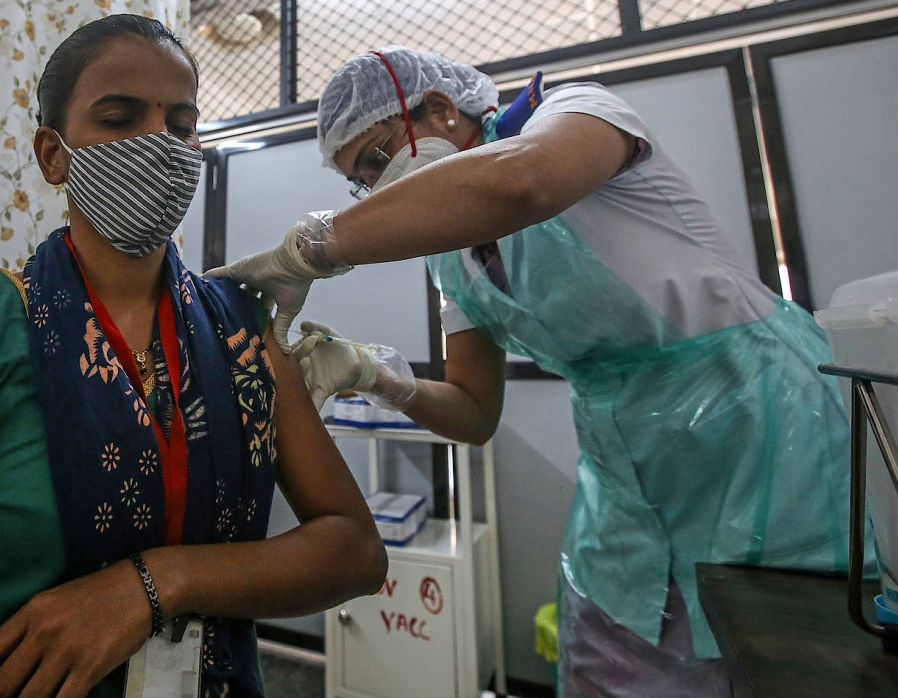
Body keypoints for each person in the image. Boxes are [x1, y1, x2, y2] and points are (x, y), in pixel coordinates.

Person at [207, 45, 857, 696]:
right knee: (615, 662)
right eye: (360, 180)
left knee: (792, 659)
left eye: (377, 157)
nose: (375, 188)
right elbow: (472, 410)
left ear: (437, 107)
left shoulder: (576, 112)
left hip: (765, 431)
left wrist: (306, 250)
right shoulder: (452, 260)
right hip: (627, 472)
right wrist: (374, 376)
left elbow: (520, 183)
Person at [0, 16, 386, 698]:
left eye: (181, 125)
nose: (159, 145)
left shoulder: (239, 326)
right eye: (119, 117)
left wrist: (155, 584)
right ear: (53, 156)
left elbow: (353, 549)